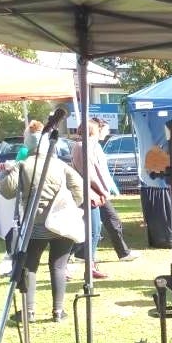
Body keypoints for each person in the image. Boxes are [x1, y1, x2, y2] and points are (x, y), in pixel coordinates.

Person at [0, 128, 85, 322]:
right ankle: (58, 311)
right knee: (59, 267)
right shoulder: (60, 165)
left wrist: (6, 172)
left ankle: (29, 311)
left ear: (28, 144)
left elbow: (7, 191)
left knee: (29, 266)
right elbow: (79, 188)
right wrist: (67, 206)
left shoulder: (23, 165)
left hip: (34, 223)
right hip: (61, 223)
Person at [71, 118, 141, 280]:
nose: (106, 132)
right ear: (93, 130)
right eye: (103, 129)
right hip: (90, 194)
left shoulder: (91, 146)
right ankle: (74, 262)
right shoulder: (82, 147)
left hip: (96, 193)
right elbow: (89, 174)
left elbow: (98, 171)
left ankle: (93, 262)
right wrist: (102, 189)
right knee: (92, 231)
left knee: (103, 225)